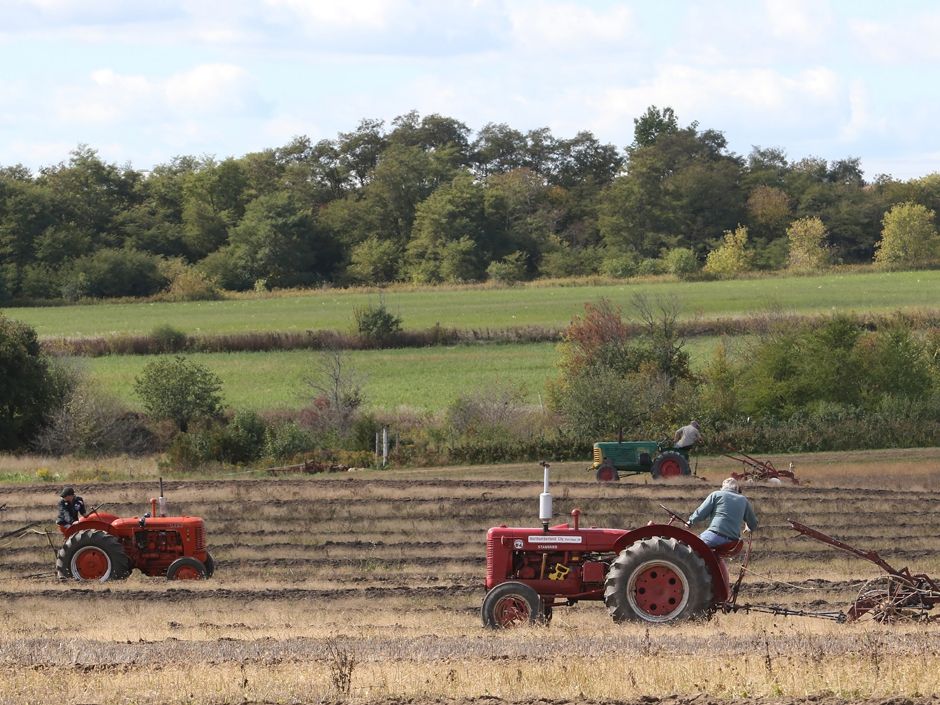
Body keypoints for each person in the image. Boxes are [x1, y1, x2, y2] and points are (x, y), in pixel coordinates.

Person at [687, 477, 758, 548]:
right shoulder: (743, 500)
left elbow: (701, 513)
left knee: (691, 546)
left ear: (723, 486)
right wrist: (749, 527)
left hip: (715, 536)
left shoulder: (716, 494)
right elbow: (753, 523)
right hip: (733, 543)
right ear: (737, 488)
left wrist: (690, 521)